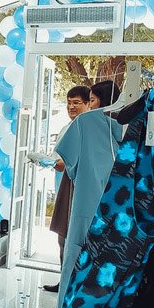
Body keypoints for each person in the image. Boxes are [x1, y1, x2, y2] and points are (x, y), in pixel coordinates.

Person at [44, 85, 96, 292]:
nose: (71, 107)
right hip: (64, 187)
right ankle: (64, 281)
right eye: (69, 103)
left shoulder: (89, 130)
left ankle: (74, 287)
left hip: (79, 191)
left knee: (75, 241)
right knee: (62, 239)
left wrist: (56, 163)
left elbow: (72, 162)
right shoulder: (68, 128)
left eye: (77, 103)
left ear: (88, 104)